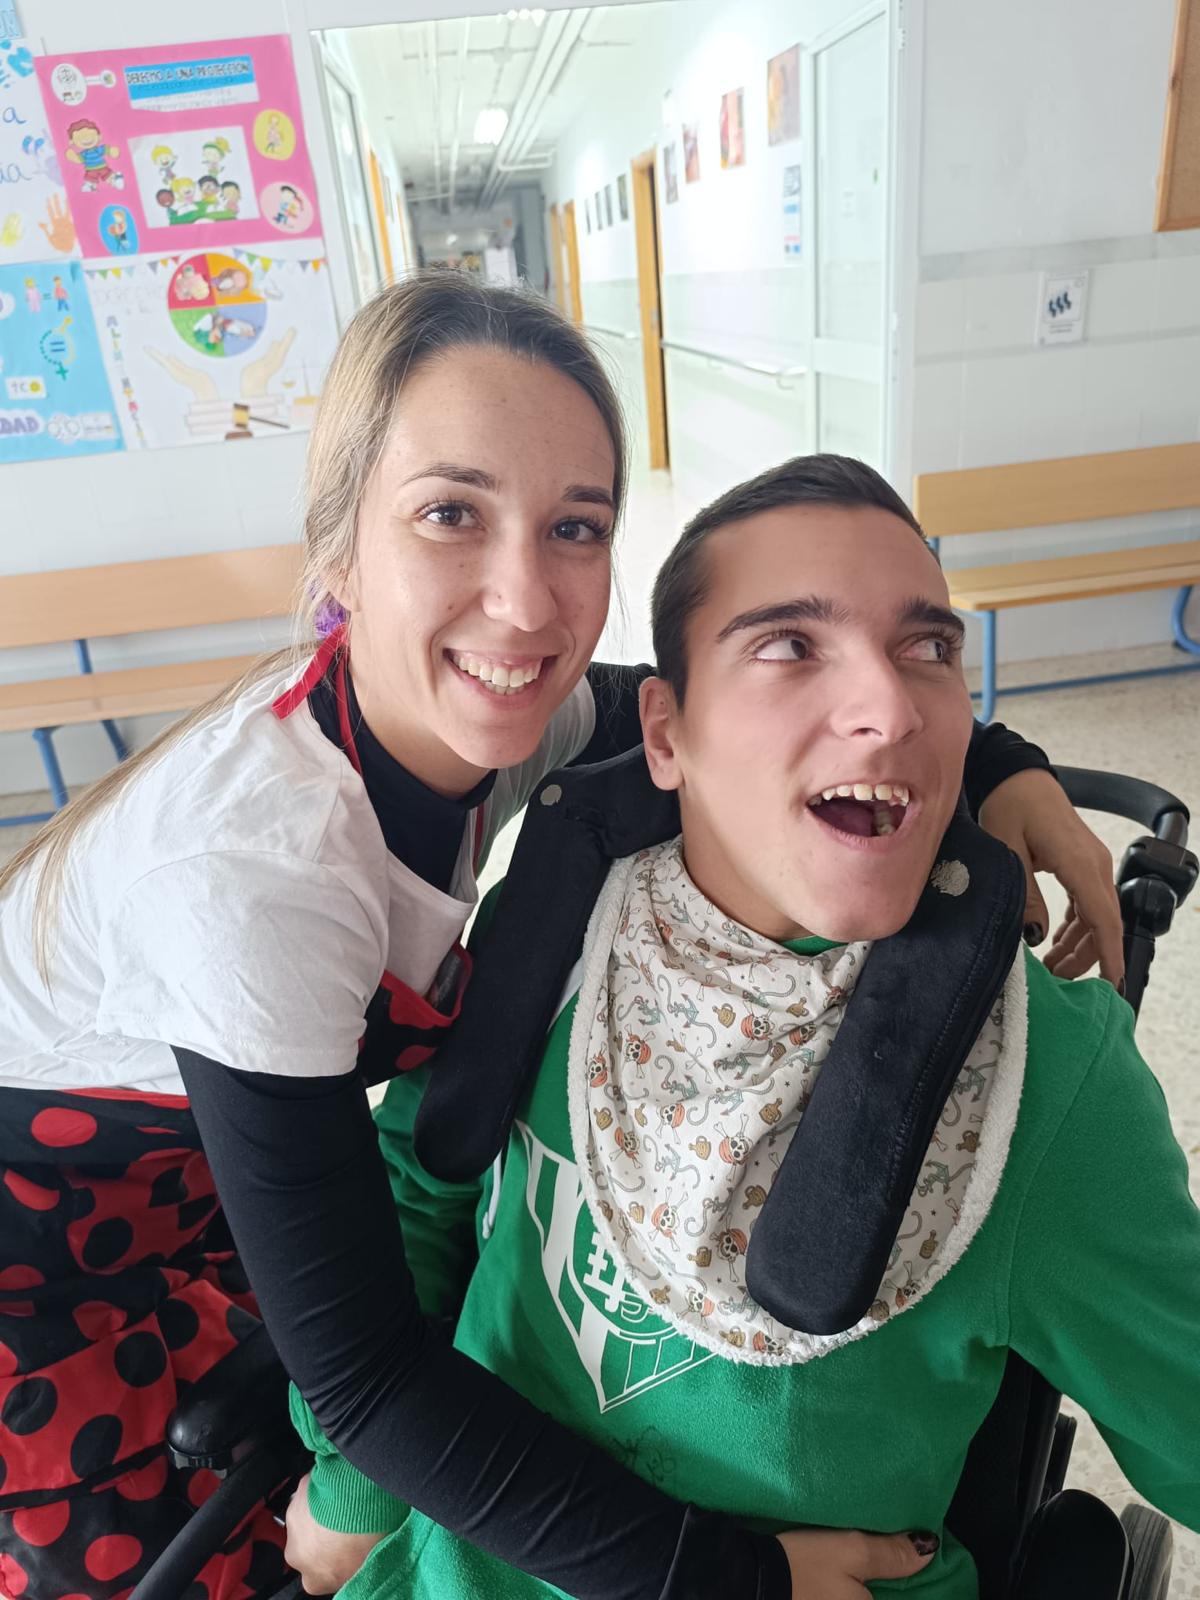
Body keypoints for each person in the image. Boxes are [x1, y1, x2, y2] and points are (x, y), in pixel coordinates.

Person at [0, 276, 1121, 1600]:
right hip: (47, 1282)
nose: (526, 604)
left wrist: (996, 765)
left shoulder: (505, 721)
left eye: (575, 528)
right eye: (451, 514)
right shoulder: (260, 877)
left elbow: (726, 712)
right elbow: (366, 1383)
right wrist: (732, 1579)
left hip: (216, 1183)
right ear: (341, 548)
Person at [284, 456, 1200, 1600]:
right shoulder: (563, 916)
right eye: (790, 645)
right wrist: (360, 1473)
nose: (890, 708)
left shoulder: (1049, 1080)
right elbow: (421, 1192)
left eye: (928, 648)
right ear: (665, 734)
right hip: (466, 1538)